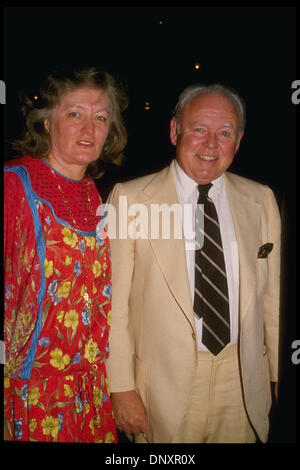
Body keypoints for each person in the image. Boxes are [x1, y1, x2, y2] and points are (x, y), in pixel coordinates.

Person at [106, 83, 281, 443]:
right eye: (199, 129)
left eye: (225, 133)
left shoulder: (260, 199)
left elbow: (272, 300)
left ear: (239, 140)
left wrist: (278, 375)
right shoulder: (130, 199)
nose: (211, 144)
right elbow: (114, 307)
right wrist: (120, 387)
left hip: (244, 378)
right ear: (175, 131)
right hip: (164, 387)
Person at [4, 66, 128, 442]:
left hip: (89, 393)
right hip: (30, 394)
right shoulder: (13, 185)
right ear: (45, 123)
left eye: (100, 118)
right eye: (75, 114)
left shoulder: (93, 194)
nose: (89, 130)